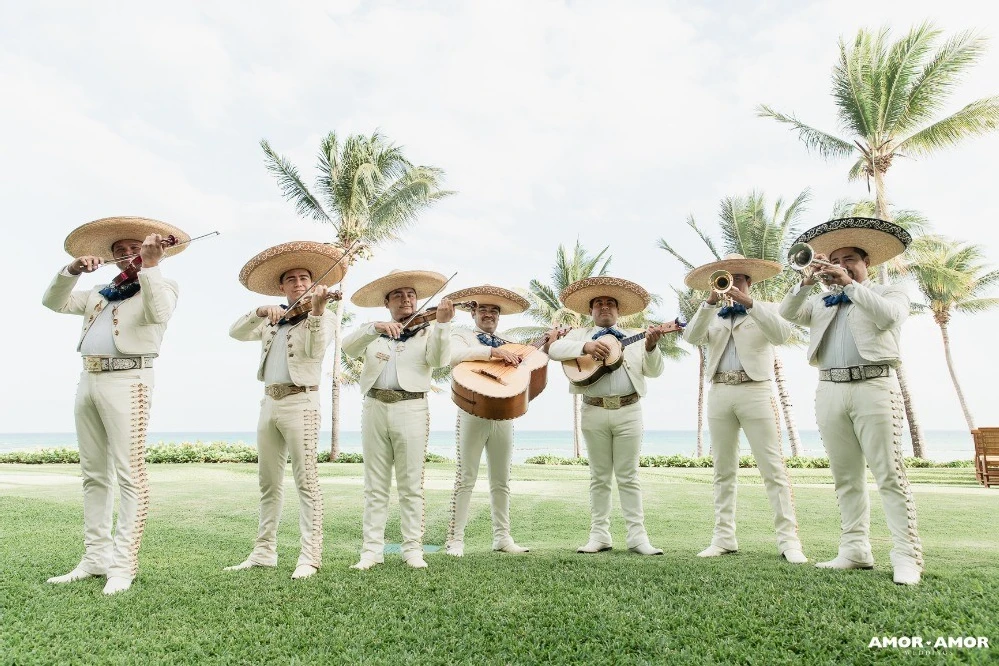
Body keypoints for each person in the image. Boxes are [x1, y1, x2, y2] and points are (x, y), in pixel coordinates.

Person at [42, 216, 187, 595]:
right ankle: (95, 558)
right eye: (119, 251)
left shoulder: (163, 283)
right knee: (93, 474)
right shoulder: (99, 292)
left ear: (152, 249)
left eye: (134, 248)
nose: (127, 254)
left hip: (130, 379)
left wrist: (151, 266)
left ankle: (122, 565)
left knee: (129, 473)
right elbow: (52, 302)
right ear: (110, 258)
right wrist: (71, 270)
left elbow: (159, 313)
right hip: (88, 379)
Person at [779, 217, 923, 585]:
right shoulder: (820, 300)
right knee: (846, 477)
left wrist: (849, 285)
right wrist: (805, 281)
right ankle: (855, 550)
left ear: (866, 264)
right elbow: (787, 314)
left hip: (875, 386)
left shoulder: (892, 291)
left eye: (850, 260)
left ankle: (907, 557)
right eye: (836, 260)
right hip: (829, 388)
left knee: (889, 475)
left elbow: (890, 318)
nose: (841, 266)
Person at [224, 241, 345, 580]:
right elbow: (235, 332)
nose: (299, 283)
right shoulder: (273, 318)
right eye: (291, 279)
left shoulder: (327, 317)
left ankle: (310, 556)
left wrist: (318, 311)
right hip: (269, 402)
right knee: (268, 482)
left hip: (302, 402)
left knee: (306, 481)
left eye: (304, 278)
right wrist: (260, 311)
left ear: (312, 283)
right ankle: (264, 552)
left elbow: (314, 349)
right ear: (282, 286)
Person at [682, 254, 806, 563]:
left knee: (772, 469)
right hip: (720, 391)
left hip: (756, 390)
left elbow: (782, 334)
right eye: (726, 278)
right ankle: (724, 537)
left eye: (739, 278)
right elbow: (691, 337)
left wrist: (750, 305)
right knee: (723, 470)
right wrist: (710, 301)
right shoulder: (712, 314)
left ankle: (789, 541)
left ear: (750, 283)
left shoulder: (766, 310)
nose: (732, 283)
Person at [342, 269, 453, 570]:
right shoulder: (375, 331)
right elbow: (346, 347)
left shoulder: (428, 331)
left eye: (411, 295)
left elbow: (439, 361)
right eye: (398, 295)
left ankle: (412, 549)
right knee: (375, 484)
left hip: (411, 408)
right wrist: (373, 327)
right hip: (375, 406)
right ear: (387, 303)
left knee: (411, 484)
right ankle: (371, 551)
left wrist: (442, 325)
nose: (406, 299)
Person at [547, 277, 665, 556]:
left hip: (629, 410)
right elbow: (553, 350)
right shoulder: (579, 335)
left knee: (629, 476)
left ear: (618, 311)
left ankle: (638, 538)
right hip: (593, 409)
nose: (604, 307)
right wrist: (585, 347)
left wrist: (651, 347)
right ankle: (599, 535)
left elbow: (655, 371)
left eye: (610, 303)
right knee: (599, 477)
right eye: (598, 303)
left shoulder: (636, 337)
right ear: (591, 311)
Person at [443, 285, 559, 557]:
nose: (489, 314)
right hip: (472, 410)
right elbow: (451, 357)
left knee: (501, 479)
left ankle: (502, 538)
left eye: (494, 310)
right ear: (473, 313)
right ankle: (455, 540)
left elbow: (526, 370)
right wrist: (491, 353)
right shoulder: (461, 335)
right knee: (466, 477)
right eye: (483, 309)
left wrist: (548, 345)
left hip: (503, 412)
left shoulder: (509, 341)